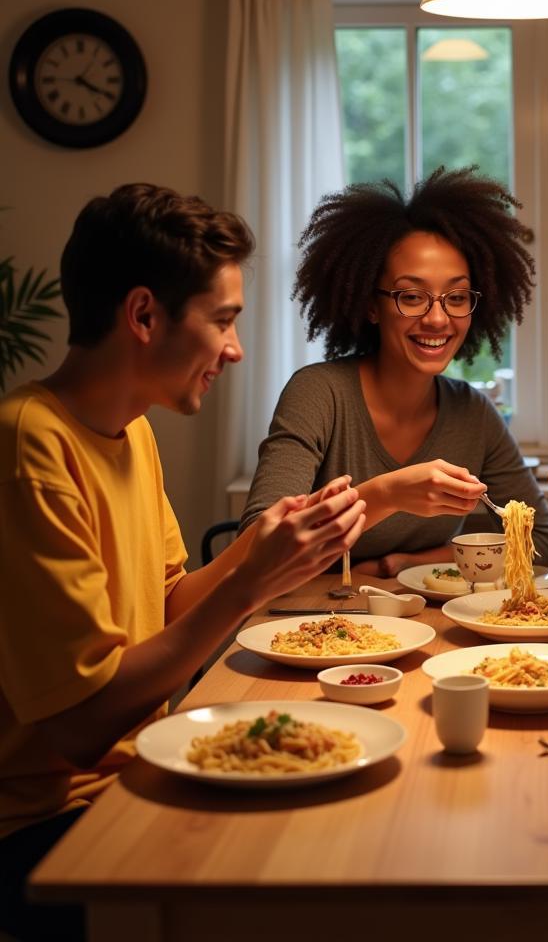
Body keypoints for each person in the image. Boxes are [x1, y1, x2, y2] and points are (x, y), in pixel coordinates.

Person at [0, 184, 366, 941]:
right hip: (40, 827)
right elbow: (77, 728)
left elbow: (168, 605)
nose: (233, 349)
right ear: (143, 315)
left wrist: (259, 549)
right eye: (224, 321)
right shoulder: (29, 447)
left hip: (126, 782)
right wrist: (250, 586)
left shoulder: (129, 431)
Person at [241, 166, 548, 576]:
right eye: (411, 296)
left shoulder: (474, 414)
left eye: (457, 297)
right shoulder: (319, 394)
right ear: (371, 305)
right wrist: (386, 495)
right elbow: (258, 545)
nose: (437, 319)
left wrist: (403, 565)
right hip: (316, 625)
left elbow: (545, 546)